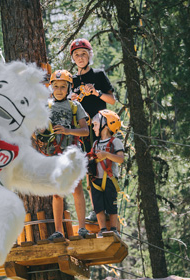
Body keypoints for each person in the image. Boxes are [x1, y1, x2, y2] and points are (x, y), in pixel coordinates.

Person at [33, 69, 90, 240]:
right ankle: (58, 231)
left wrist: (67, 130)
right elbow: (37, 130)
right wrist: (38, 133)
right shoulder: (46, 106)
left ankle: (82, 228)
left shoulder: (75, 106)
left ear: (69, 88)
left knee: (77, 188)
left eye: (63, 87)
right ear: (50, 87)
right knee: (57, 192)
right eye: (56, 86)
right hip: (53, 154)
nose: (59, 90)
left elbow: (85, 131)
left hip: (71, 152)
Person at [69, 38, 117, 222]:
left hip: (100, 128)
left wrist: (96, 92)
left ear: (89, 55)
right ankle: (96, 211)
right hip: (82, 130)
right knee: (90, 169)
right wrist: (71, 98)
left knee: (103, 168)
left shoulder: (98, 75)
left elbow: (112, 100)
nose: (80, 58)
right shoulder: (71, 80)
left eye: (83, 54)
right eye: (76, 55)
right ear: (73, 58)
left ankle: (109, 210)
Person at [87, 109, 124, 238]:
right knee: (98, 206)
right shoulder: (95, 143)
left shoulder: (115, 142)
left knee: (111, 205)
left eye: (96, 125)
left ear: (105, 125)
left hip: (109, 179)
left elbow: (120, 159)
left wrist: (106, 155)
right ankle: (102, 229)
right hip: (96, 180)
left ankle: (113, 229)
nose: (93, 127)